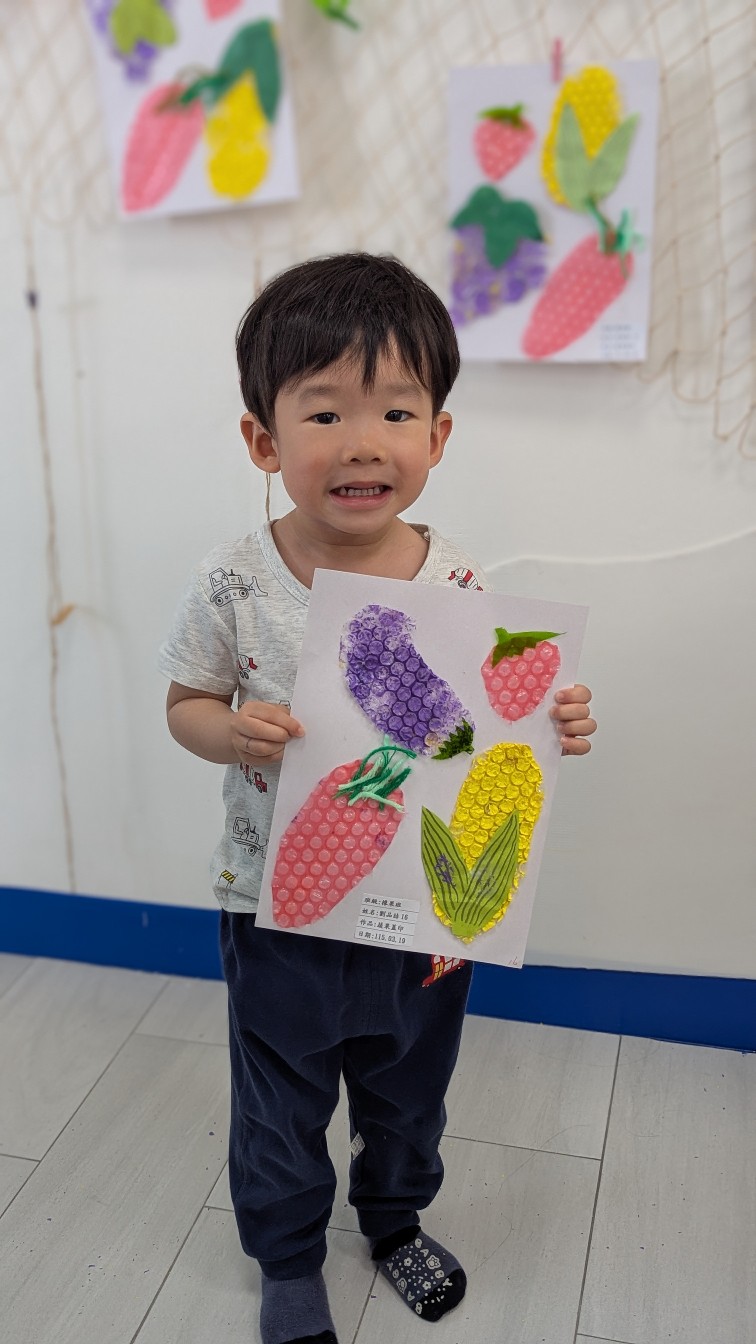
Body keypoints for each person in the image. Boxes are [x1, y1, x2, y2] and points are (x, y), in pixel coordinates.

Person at [159, 253, 596, 1344]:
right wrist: (229, 730)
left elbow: (487, 725)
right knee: (281, 1095)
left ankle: (395, 1219)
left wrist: (554, 717)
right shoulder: (233, 581)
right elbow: (186, 704)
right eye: (324, 413)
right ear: (264, 440)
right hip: (276, 907)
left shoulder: (457, 582)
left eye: (397, 411)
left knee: (410, 1088)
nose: (364, 442)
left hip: (426, 917)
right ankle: (288, 1254)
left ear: (437, 436)